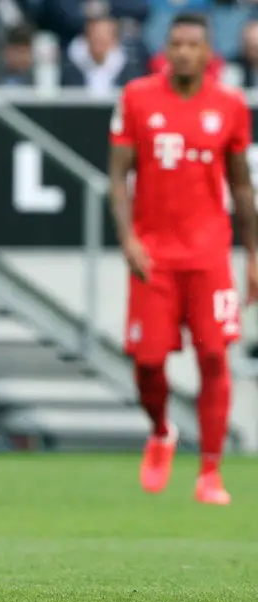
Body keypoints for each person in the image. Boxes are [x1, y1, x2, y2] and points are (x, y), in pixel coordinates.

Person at [109, 12, 258, 506]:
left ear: (208, 52)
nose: (183, 53)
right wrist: (128, 238)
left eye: (193, 45)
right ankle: (160, 431)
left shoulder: (230, 104)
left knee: (214, 356)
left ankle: (210, 472)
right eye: (176, 44)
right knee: (148, 364)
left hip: (209, 255)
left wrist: (253, 255)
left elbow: (241, 185)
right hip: (153, 255)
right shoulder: (137, 97)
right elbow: (118, 176)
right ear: (166, 50)